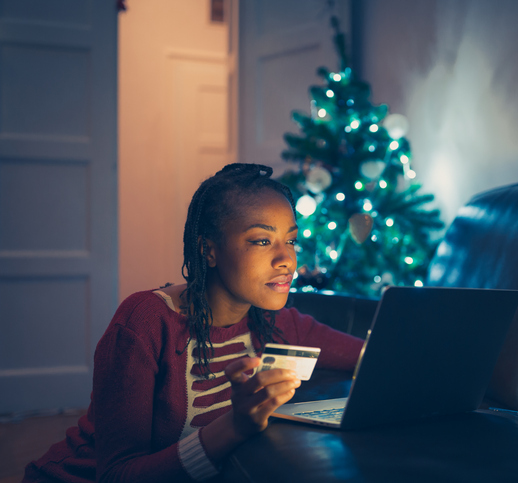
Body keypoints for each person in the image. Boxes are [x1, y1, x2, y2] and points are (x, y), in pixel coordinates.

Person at [23, 163, 364, 482]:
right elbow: (117, 474)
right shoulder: (144, 323)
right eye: (262, 241)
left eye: (290, 240)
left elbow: (372, 357)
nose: (287, 259)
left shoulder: (276, 322)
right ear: (208, 250)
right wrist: (234, 426)